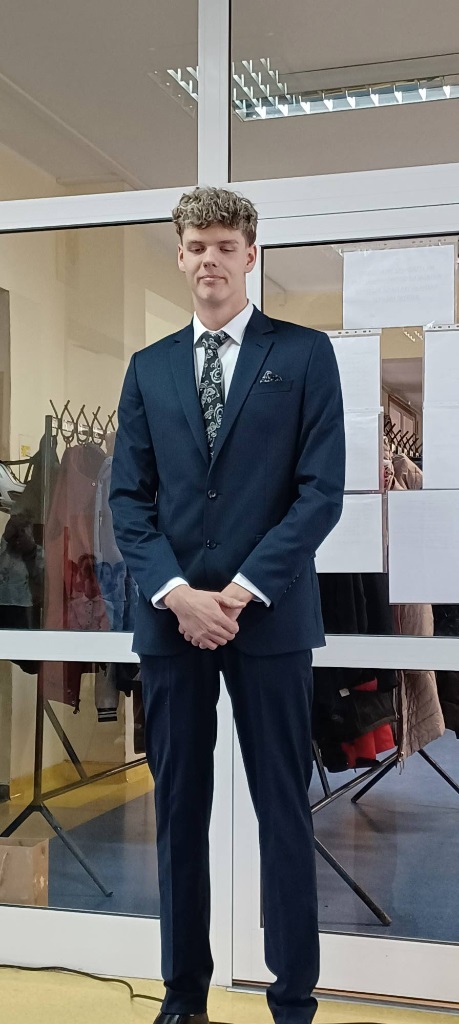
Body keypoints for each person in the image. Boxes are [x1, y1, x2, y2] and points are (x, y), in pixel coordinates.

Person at [109, 187, 345, 1024]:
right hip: (171, 623)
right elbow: (128, 501)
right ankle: (183, 996)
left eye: (223, 245)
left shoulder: (304, 354)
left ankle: (292, 999)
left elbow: (318, 494)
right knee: (177, 810)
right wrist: (178, 595)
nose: (209, 258)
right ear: (180, 257)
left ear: (250, 254)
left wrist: (238, 593)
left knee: (282, 808)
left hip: (268, 619)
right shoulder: (149, 368)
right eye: (195, 245)